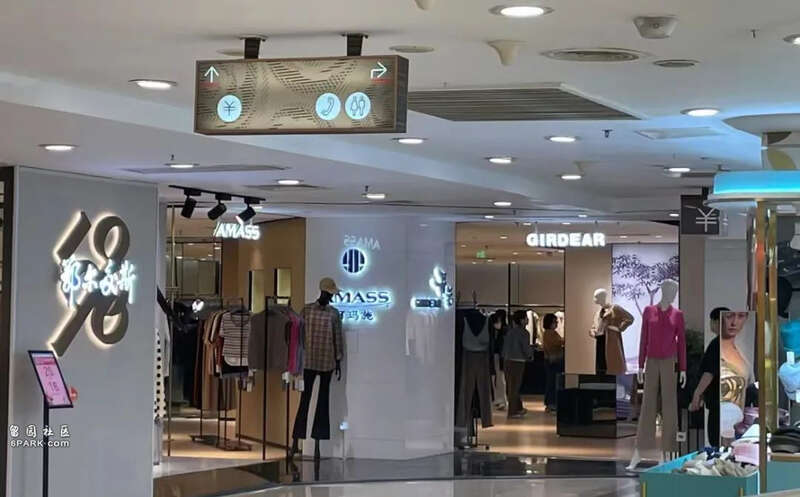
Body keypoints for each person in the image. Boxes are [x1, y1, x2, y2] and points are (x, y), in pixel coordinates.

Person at [689, 306, 729, 447]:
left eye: (712, 321)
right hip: (729, 399)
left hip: (718, 400)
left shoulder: (716, 344)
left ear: (717, 322)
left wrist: (697, 393)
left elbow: (709, 372)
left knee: (716, 439)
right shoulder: (731, 342)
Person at [503, 310, 533, 418]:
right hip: (518, 361)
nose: (527, 320)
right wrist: (530, 356)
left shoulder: (510, 332)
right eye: (525, 318)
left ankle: (518, 408)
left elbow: (505, 347)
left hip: (507, 360)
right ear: (521, 320)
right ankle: (512, 412)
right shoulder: (524, 333)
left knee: (511, 386)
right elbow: (526, 348)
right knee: (515, 387)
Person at [542, 313, 564, 413]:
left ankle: (550, 403)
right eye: (555, 322)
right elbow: (558, 342)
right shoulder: (550, 333)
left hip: (552, 360)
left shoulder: (549, 333)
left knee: (552, 381)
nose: (557, 324)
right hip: (553, 360)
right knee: (552, 382)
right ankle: (551, 403)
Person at [490, 311, 508, 410]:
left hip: (498, 357)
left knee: (499, 379)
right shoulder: (498, 332)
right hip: (496, 357)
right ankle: (498, 399)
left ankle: (500, 400)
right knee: (497, 379)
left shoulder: (502, 331)